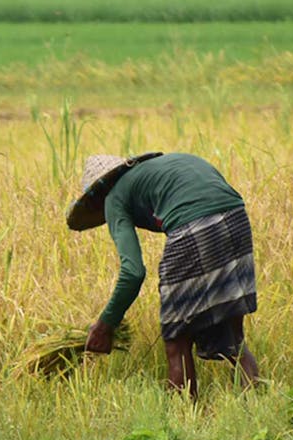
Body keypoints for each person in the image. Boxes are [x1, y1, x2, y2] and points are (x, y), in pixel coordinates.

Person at [66, 152, 259, 397]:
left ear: (96, 197)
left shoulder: (113, 197)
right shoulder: (163, 168)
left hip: (193, 225)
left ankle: (181, 422)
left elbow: (133, 272)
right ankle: (257, 405)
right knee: (233, 339)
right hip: (237, 221)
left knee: (177, 338)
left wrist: (105, 325)